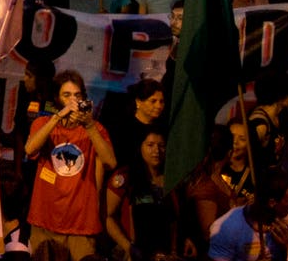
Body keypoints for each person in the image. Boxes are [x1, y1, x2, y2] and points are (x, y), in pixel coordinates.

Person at [24, 71, 116, 260]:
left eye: (77, 95)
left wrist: (89, 126)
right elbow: (30, 149)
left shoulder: (95, 129)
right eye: (67, 95)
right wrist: (57, 118)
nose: (73, 100)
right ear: (57, 98)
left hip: (80, 224)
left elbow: (110, 162)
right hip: (45, 219)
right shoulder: (44, 123)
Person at [105, 128, 178, 261]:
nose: (156, 151)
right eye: (150, 145)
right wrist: (128, 247)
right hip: (132, 251)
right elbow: (108, 217)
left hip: (163, 254)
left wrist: (173, 250)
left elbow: (174, 218)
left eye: (161, 146)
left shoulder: (171, 179)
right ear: (140, 146)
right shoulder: (125, 176)